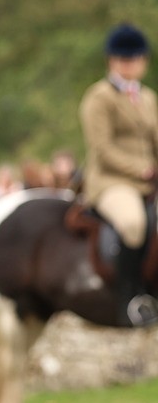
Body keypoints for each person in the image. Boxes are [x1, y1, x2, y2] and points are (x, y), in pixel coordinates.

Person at [79, 23, 158, 327]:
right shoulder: (99, 97)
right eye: (125, 59)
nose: (132, 64)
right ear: (112, 61)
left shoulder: (149, 98)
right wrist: (143, 169)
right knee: (133, 223)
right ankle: (130, 299)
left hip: (149, 178)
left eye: (137, 58)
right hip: (112, 181)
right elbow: (102, 148)